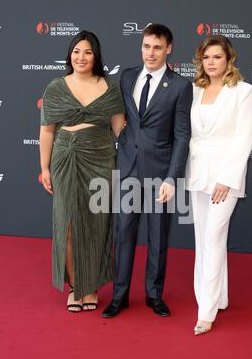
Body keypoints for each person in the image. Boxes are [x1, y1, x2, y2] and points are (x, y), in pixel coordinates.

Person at [102, 24, 192, 318]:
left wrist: (172, 178)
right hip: (127, 168)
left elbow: (181, 136)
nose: (150, 53)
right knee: (123, 234)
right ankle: (120, 296)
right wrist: (122, 140)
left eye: (156, 47)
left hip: (159, 174)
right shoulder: (127, 76)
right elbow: (121, 116)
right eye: (146, 46)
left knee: (158, 236)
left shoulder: (179, 85)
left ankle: (154, 295)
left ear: (169, 49)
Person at [39, 30, 125, 312]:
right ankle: (77, 286)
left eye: (87, 52)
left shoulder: (110, 87)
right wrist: (44, 167)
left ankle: (91, 287)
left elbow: (119, 130)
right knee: (67, 223)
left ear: (96, 56)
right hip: (64, 158)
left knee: (97, 224)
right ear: (70, 54)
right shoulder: (55, 87)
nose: (81, 57)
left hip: (100, 157)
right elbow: (47, 130)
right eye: (76, 51)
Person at [185, 35, 252, 335]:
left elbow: (245, 138)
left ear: (229, 59)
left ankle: (206, 312)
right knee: (203, 237)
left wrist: (227, 179)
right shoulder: (193, 90)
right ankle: (218, 297)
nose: (211, 62)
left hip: (225, 177)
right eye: (206, 57)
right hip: (197, 172)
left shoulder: (244, 92)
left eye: (217, 57)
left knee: (213, 237)